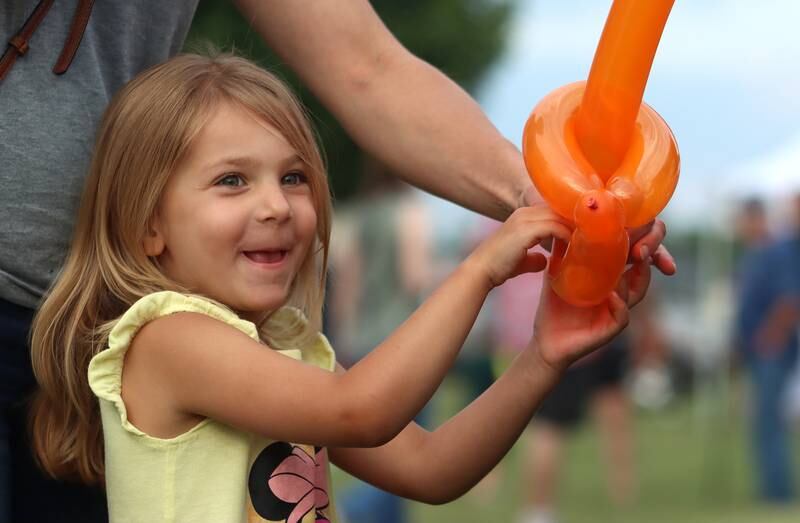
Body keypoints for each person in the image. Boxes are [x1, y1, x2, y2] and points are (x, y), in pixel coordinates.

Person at [1, 2, 674, 520]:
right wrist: (476, 272)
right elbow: (361, 411)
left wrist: (540, 357)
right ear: (150, 225)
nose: (275, 205)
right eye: (233, 181)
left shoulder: (284, 349)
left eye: (293, 177)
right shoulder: (166, 339)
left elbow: (432, 467)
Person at [735, 195, 800, 503]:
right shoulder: (757, 253)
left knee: (769, 421)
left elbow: (790, 299)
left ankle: (777, 492)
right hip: (758, 350)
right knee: (762, 421)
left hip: (772, 351)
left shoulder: (776, 252)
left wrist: (769, 337)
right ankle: (772, 488)